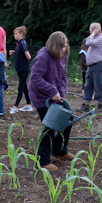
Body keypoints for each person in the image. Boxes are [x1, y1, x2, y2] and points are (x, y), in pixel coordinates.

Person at [28, 31, 73, 172]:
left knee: (67, 118)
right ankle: (42, 161)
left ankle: (59, 150)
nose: (63, 50)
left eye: (65, 46)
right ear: (54, 46)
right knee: (50, 126)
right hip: (42, 97)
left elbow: (64, 76)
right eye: (61, 47)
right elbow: (35, 78)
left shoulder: (63, 57)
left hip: (56, 95)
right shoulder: (43, 57)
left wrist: (61, 91)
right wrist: (52, 90)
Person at [77, 23, 102, 113]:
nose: (90, 32)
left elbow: (87, 42)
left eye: (91, 30)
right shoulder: (95, 38)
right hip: (91, 66)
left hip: (98, 65)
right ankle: (85, 104)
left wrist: (93, 34)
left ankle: (101, 104)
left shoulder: (101, 38)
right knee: (88, 85)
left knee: (98, 85)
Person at [9, 26, 32, 114]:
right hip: (19, 69)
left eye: (16, 33)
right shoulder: (18, 43)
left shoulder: (23, 43)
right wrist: (15, 53)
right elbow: (21, 52)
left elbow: (28, 56)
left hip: (24, 69)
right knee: (24, 87)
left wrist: (24, 56)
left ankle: (15, 106)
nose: (15, 35)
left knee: (20, 87)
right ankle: (29, 105)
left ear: (21, 34)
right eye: (14, 33)